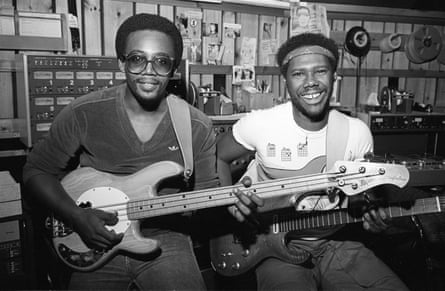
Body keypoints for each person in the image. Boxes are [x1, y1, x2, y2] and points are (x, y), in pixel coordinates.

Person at [22, 13, 219, 290]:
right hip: (91, 235)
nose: (149, 71)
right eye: (137, 59)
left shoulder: (196, 125)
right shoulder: (84, 113)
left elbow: (208, 195)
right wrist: (76, 217)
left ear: (173, 69)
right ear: (121, 63)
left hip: (166, 237)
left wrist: (240, 207)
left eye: (161, 61)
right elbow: (36, 172)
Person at [218, 33, 410, 290]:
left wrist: (372, 217)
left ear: (334, 77)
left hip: (336, 239)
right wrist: (230, 201)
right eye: (299, 74)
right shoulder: (259, 124)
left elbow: (363, 198)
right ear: (285, 81)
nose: (311, 82)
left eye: (320, 71)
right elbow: (218, 156)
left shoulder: (356, 132)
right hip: (270, 243)